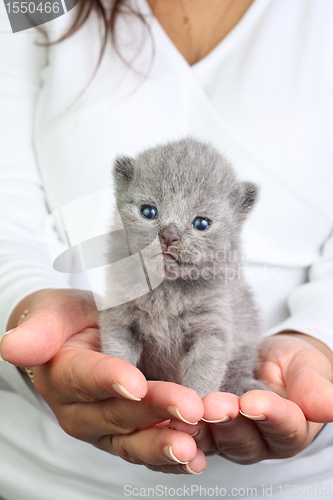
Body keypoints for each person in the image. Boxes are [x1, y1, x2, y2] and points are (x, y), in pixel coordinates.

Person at [1, 0, 333, 498]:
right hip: (44, 471)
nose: (169, 239)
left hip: (290, 483)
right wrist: (23, 303)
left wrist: (320, 340)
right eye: (151, 214)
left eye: (199, 223)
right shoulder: (33, 3)